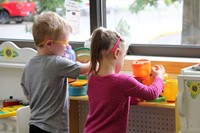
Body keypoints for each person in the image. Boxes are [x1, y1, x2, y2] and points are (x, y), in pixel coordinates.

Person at [83, 27, 165, 133]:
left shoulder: (92, 78)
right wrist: (159, 77)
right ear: (117, 53)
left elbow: (110, 100)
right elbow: (151, 93)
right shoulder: (123, 81)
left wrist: (133, 97)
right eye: (124, 56)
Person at [20, 11, 90, 133]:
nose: (67, 47)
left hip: (34, 125)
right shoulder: (57, 62)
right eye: (65, 43)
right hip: (54, 129)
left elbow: (27, 95)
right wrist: (96, 56)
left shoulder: (28, 65)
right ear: (49, 44)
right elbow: (85, 69)